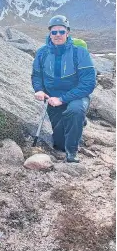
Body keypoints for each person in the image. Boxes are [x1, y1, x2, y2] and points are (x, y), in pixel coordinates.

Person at [31, 15, 96, 163]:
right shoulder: (42, 53)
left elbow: (88, 83)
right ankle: (79, 122)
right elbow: (36, 76)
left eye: (61, 31)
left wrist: (62, 99)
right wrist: (39, 89)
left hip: (76, 97)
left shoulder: (80, 52)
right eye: (54, 32)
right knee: (59, 144)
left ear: (68, 32)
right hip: (52, 100)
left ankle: (72, 153)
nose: (58, 35)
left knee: (75, 111)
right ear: (50, 34)